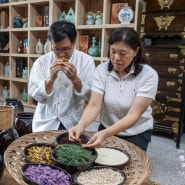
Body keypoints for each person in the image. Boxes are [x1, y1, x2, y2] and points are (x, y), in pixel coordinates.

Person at [69, 27, 159, 151]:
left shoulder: (148, 75)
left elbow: (134, 114)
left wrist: (105, 134)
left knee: (130, 167)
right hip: (106, 127)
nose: (116, 57)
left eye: (123, 53)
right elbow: (94, 105)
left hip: (136, 133)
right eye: (113, 51)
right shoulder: (102, 70)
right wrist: (80, 126)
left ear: (136, 51)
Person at [28, 21, 95, 132]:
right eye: (56, 49)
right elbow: (36, 96)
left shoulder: (86, 61)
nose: (61, 54)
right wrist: (51, 79)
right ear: (51, 43)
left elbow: (90, 97)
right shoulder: (41, 62)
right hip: (45, 123)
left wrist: (75, 79)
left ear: (74, 43)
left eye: (65, 49)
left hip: (73, 123)